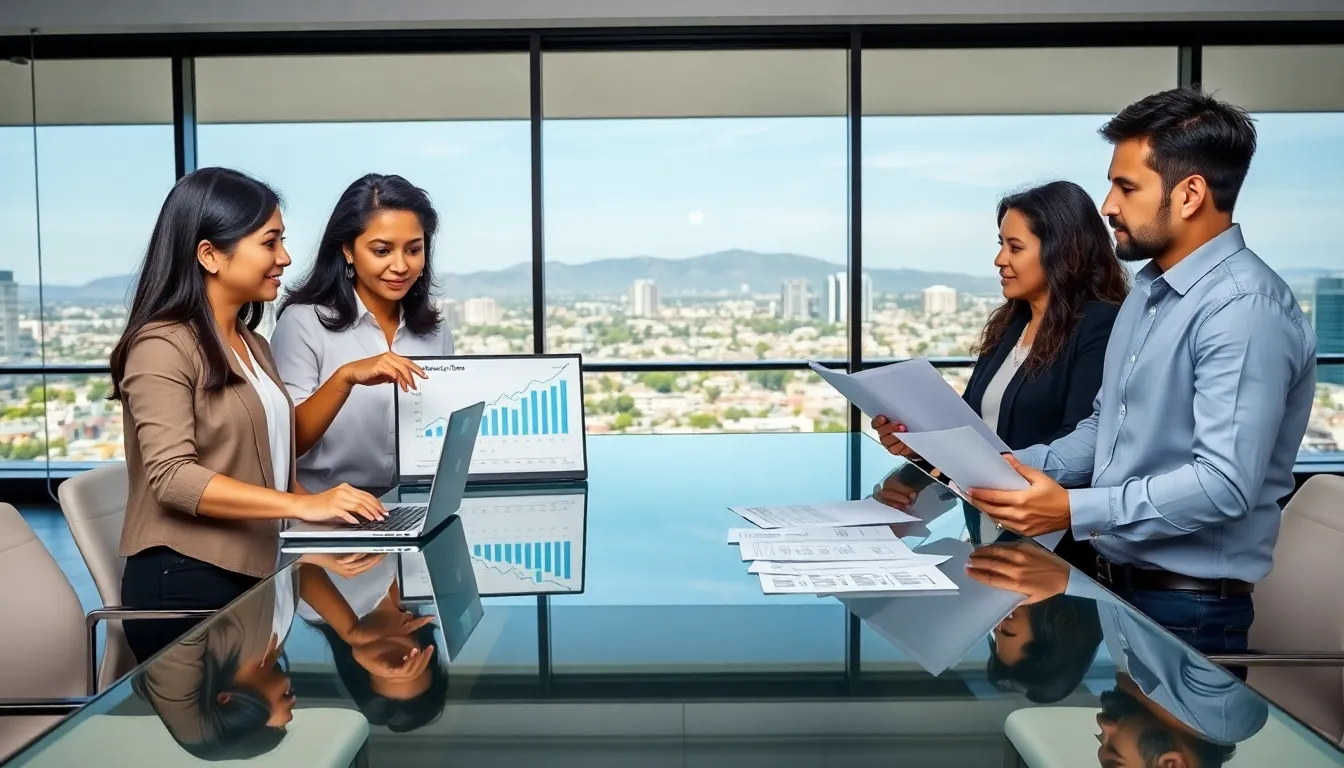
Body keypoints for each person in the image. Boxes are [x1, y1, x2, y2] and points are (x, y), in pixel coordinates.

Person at [964, 88, 1317, 654]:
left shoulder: (1244, 308)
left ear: (1190, 194)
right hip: (1122, 588)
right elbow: (1104, 429)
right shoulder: (1149, 296)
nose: (1107, 204)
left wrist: (1075, 509)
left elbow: (1224, 484)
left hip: (1191, 606)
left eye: (1126, 186)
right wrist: (1003, 468)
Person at [112, 167, 387, 662]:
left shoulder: (251, 343)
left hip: (255, 566)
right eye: (269, 242)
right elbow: (173, 479)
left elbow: (272, 458)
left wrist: (326, 522)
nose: (284, 258)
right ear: (210, 255)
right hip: (187, 585)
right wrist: (303, 508)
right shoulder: (161, 345)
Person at [873, 180, 1128, 458]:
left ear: (1063, 251)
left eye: (1015, 248)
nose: (999, 259)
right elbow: (969, 425)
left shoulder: (1100, 324)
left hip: (1038, 497)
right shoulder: (1010, 324)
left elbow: (1081, 443)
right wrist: (918, 445)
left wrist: (987, 467)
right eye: (1001, 244)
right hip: (979, 494)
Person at [970, 543, 1268, 765]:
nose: (1102, 727)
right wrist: (1067, 580)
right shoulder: (1221, 712)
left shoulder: (1138, 685)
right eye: (1114, 754)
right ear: (1170, 764)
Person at [271, 173, 452, 493]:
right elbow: (287, 442)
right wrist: (346, 377)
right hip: (324, 511)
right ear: (348, 251)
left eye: (413, 250)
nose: (401, 266)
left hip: (411, 505)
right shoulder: (303, 323)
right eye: (382, 251)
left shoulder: (435, 330)